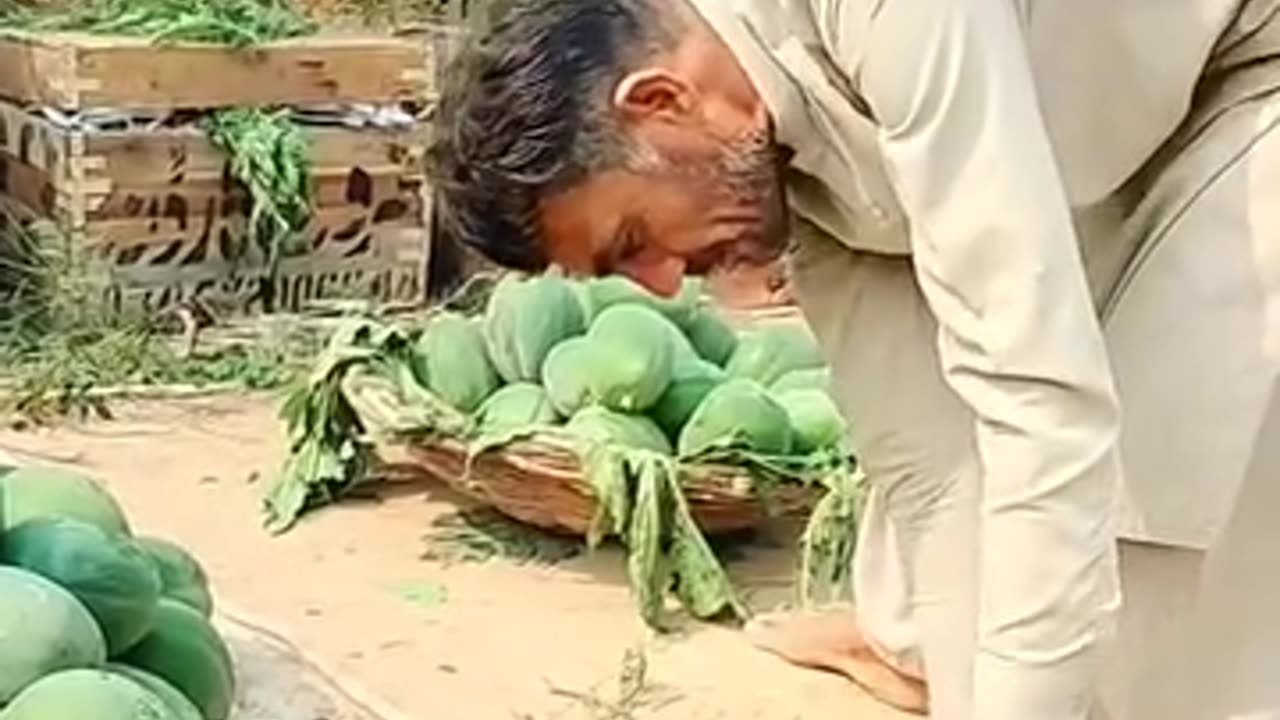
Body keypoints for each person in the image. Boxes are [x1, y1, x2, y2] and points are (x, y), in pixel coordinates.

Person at [427, 0, 1280, 718]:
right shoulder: (770, 166)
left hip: (1254, 66)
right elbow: (934, 476)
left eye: (634, 241)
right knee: (994, 590)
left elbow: (1041, 401)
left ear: (659, 100)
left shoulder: (895, 18)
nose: (660, 285)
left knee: (1163, 497)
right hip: (1116, 120)